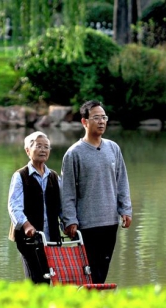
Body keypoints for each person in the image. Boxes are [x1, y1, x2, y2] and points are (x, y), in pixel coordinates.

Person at [61, 100, 132, 284]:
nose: (101, 122)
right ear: (84, 122)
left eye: (104, 117)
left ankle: (94, 305)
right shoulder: (73, 153)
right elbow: (67, 191)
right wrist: (70, 220)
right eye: (96, 118)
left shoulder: (113, 148)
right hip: (86, 224)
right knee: (89, 272)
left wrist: (126, 209)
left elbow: (122, 181)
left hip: (110, 221)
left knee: (103, 270)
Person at [8, 131, 61, 284]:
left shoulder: (54, 177)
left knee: (49, 277)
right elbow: (14, 206)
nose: (43, 150)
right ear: (27, 150)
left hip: (50, 237)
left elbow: (62, 206)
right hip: (28, 238)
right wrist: (26, 225)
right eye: (39, 146)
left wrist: (69, 223)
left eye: (47, 147)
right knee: (35, 278)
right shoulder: (20, 176)